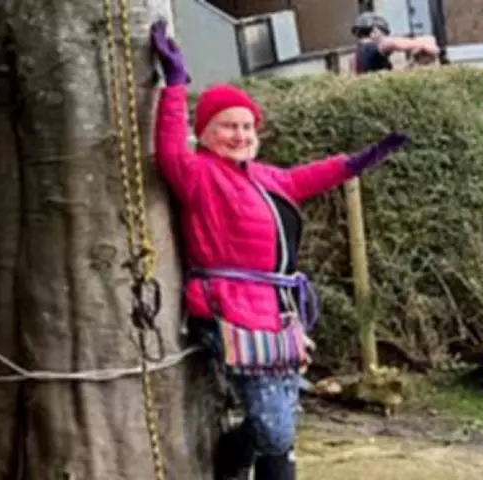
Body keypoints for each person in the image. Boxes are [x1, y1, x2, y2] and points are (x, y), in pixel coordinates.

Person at [149, 20, 408, 480]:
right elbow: (168, 150)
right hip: (228, 309)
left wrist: (361, 160)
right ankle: (238, 454)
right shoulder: (200, 174)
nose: (241, 135)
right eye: (229, 126)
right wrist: (175, 85)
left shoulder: (263, 176)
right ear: (206, 132)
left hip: (276, 311)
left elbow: (306, 177)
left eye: (247, 127)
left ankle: (240, 462)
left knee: (280, 416)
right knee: (274, 426)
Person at [351, 12, 439, 74]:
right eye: (384, 33)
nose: (385, 37)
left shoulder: (358, 54)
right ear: (375, 30)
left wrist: (411, 64)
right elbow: (391, 43)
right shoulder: (369, 48)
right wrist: (423, 43)